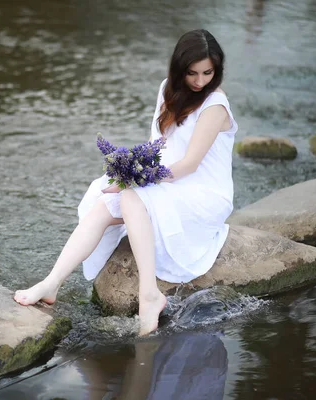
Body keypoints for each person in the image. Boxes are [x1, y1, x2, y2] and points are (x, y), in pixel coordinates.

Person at [14, 29, 238, 336]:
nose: (200, 81)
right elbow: (155, 146)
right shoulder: (168, 90)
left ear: (217, 70)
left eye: (208, 73)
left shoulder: (215, 105)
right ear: (178, 70)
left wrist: (137, 178)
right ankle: (52, 282)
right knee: (104, 203)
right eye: (192, 73)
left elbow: (189, 164)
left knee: (131, 196)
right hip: (170, 183)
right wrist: (131, 171)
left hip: (203, 192)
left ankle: (149, 294)